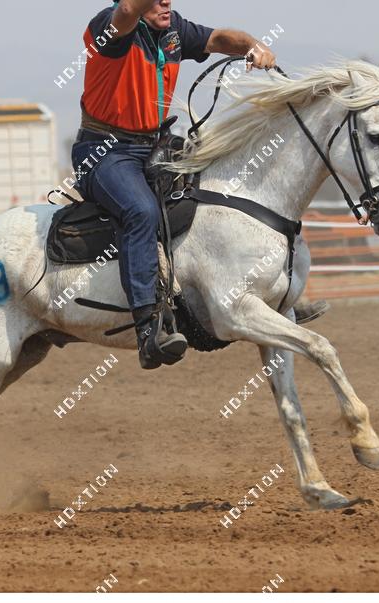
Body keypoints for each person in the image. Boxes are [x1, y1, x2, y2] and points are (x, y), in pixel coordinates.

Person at [71, 0, 280, 370]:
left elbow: (218, 39)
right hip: (104, 151)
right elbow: (126, 13)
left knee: (215, 185)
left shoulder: (172, 29)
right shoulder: (109, 26)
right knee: (141, 210)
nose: (166, 1)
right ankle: (149, 328)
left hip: (152, 145)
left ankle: (267, 294)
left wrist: (252, 45)